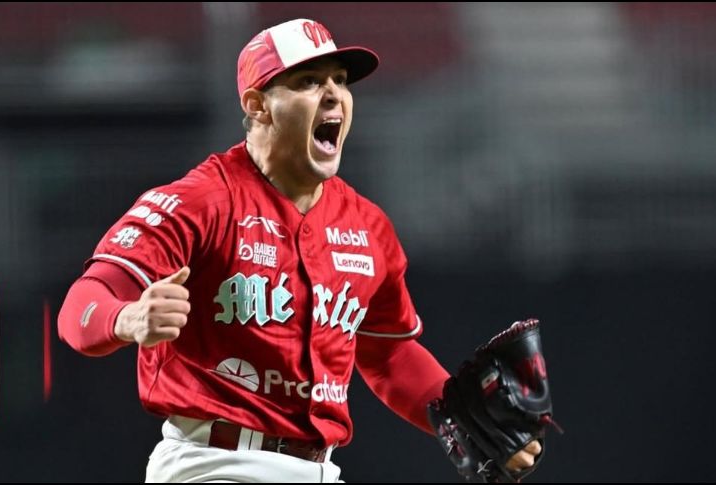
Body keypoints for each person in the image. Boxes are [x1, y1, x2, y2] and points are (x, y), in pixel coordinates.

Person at [58, 18, 541, 482]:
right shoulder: (200, 203)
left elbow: (387, 355)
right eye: (309, 81)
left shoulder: (367, 226)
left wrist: (463, 416)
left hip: (319, 469)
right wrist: (129, 319)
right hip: (214, 464)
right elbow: (80, 306)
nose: (333, 93)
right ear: (258, 104)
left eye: (340, 80)